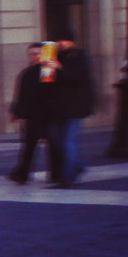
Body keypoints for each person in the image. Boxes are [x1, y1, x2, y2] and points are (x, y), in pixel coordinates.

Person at [40, 38, 96, 187]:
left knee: (69, 142)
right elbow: (47, 82)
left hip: (76, 107)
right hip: (58, 108)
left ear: (72, 41)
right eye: (59, 41)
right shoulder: (55, 55)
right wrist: (46, 69)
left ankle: (68, 176)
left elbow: (79, 79)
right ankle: (77, 166)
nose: (62, 44)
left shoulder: (80, 56)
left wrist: (60, 68)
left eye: (65, 40)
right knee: (58, 142)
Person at [6, 42, 51, 183]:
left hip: (46, 114)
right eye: (33, 54)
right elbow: (20, 95)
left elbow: (49, 91)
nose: (36, 56)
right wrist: (17, 112)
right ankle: (22, 174)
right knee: (29, 145)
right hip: (32, 115)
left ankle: (56, 173)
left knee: (53, 145)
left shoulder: (47, 70)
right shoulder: (26, 73)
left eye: (39, 53)